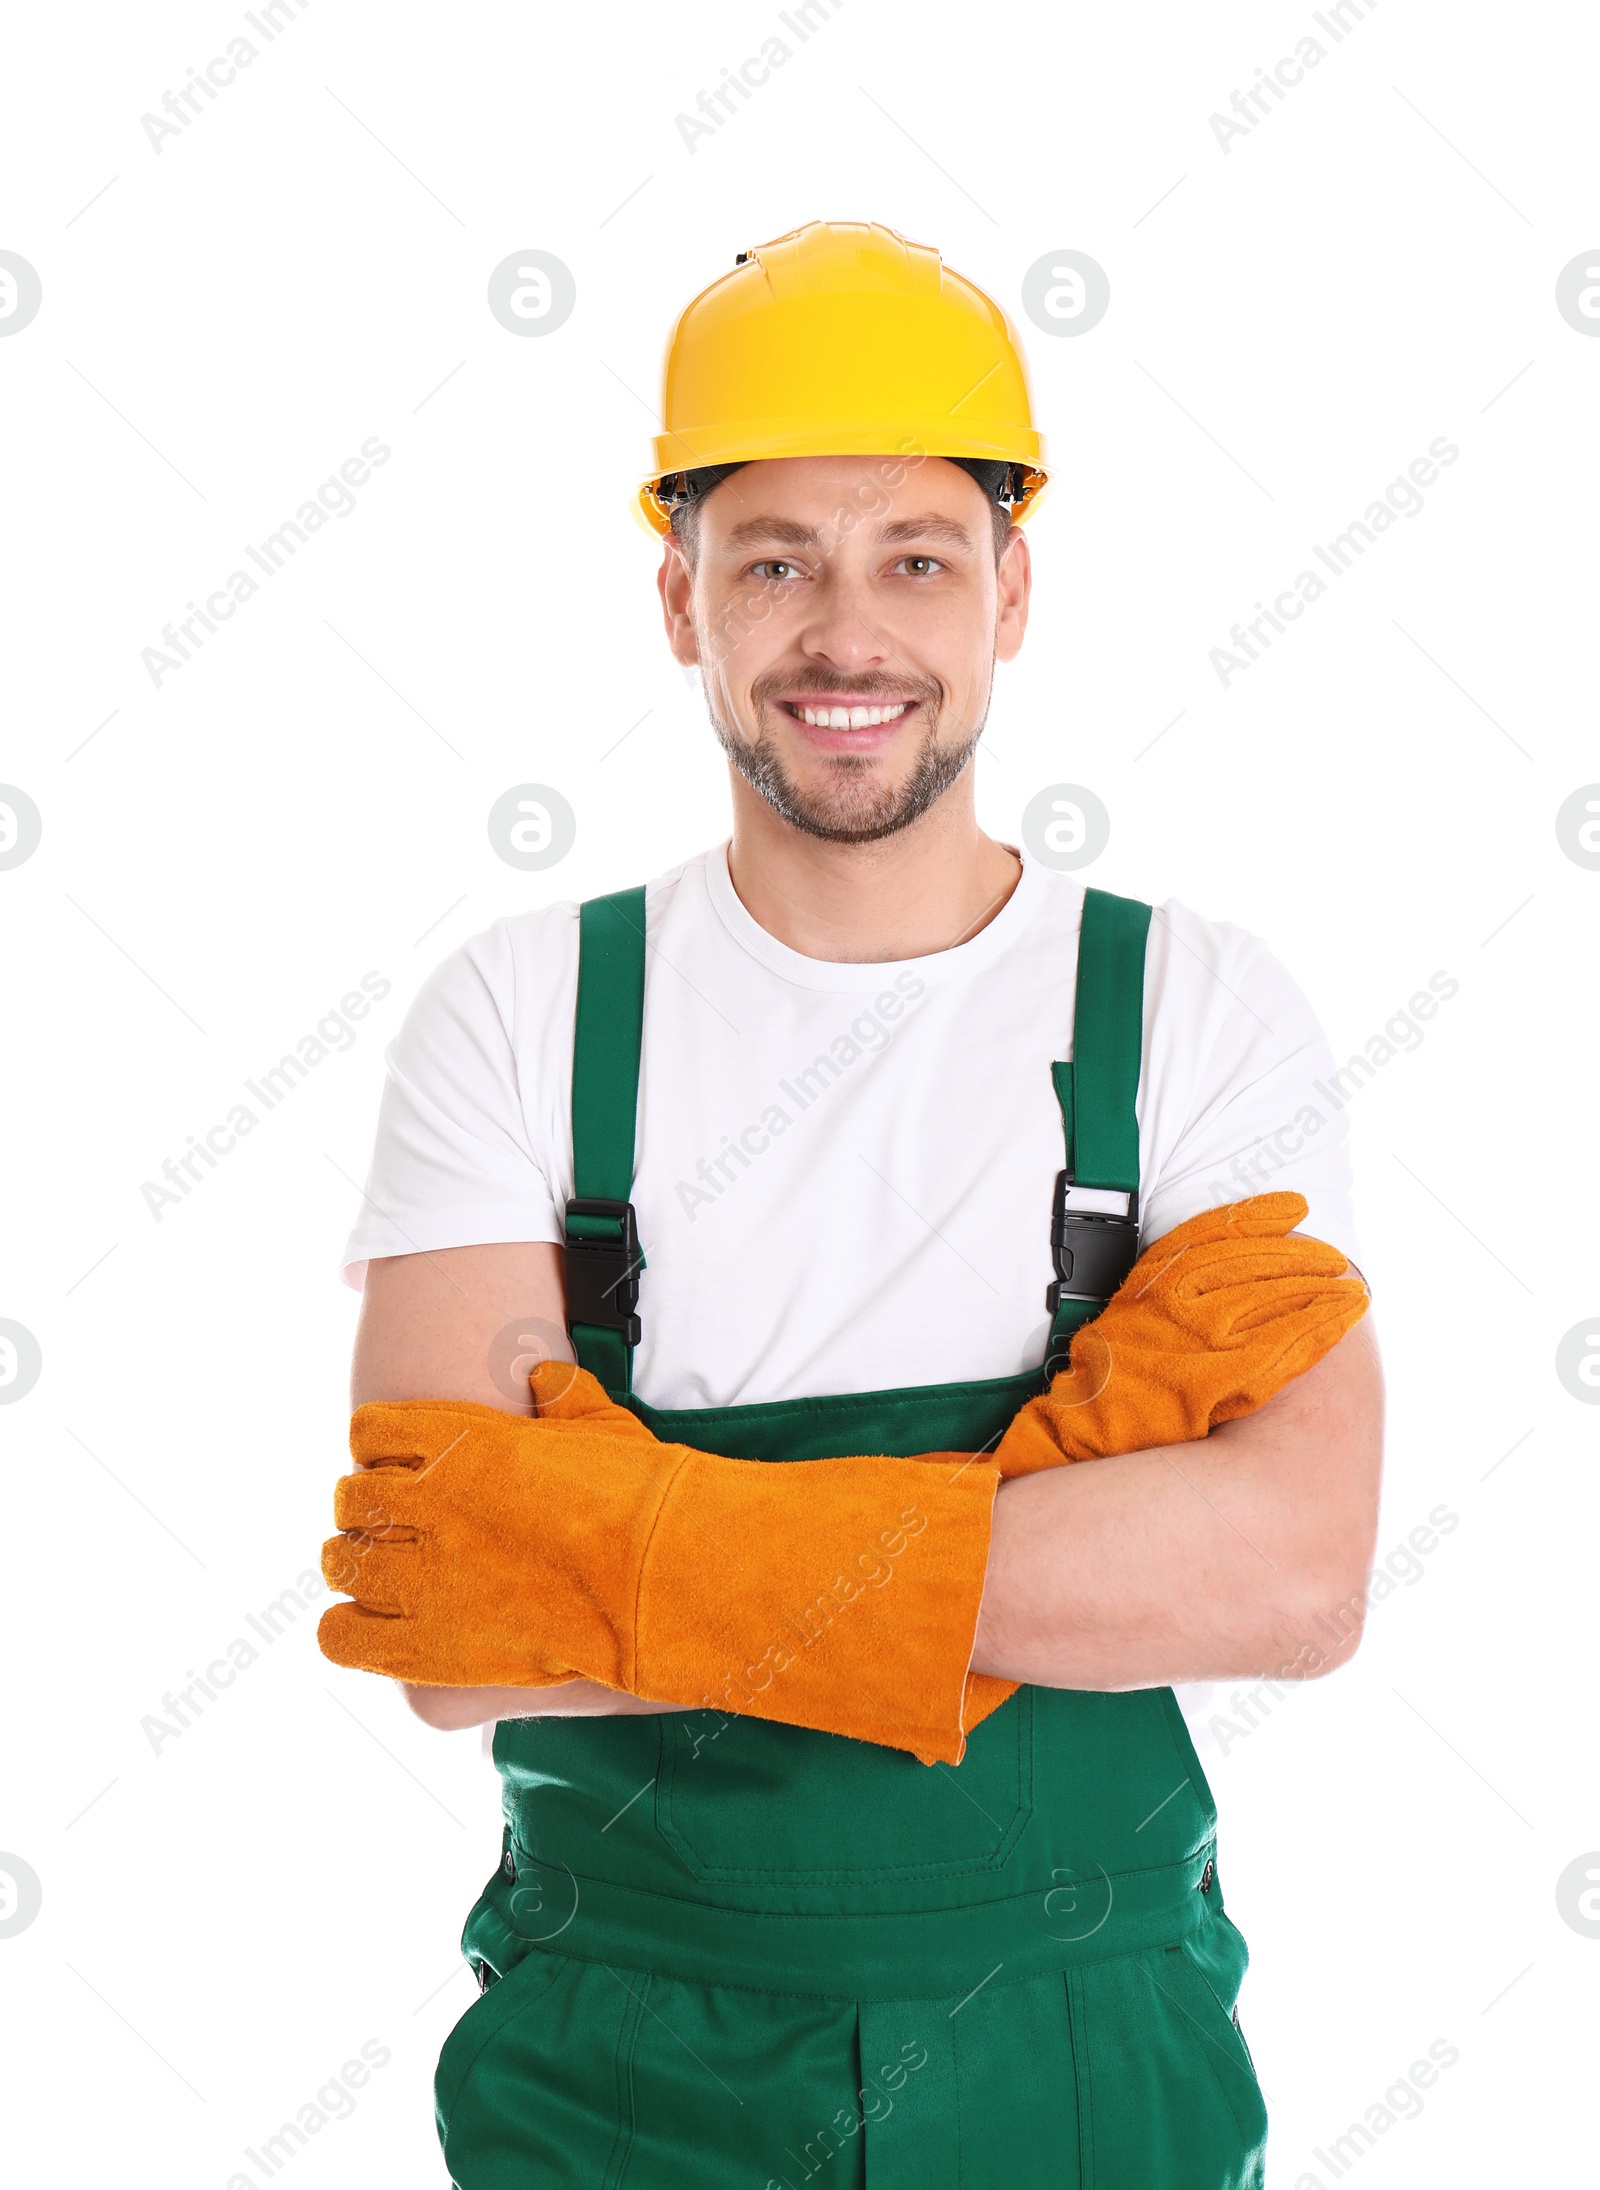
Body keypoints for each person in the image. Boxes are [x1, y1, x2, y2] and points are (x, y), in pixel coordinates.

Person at [320, 220, 1383, 2189]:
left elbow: (1288, 1579)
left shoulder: (1189, 1008)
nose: (845, 634)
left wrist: (627, 1544)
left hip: (1086, 2044)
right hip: (619, 2054)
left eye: (913, 558)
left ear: (1010, 593)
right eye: (774, 563)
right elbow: (452, 1623)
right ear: (679, 600)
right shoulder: (525, 1015)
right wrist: (1069, 1533)